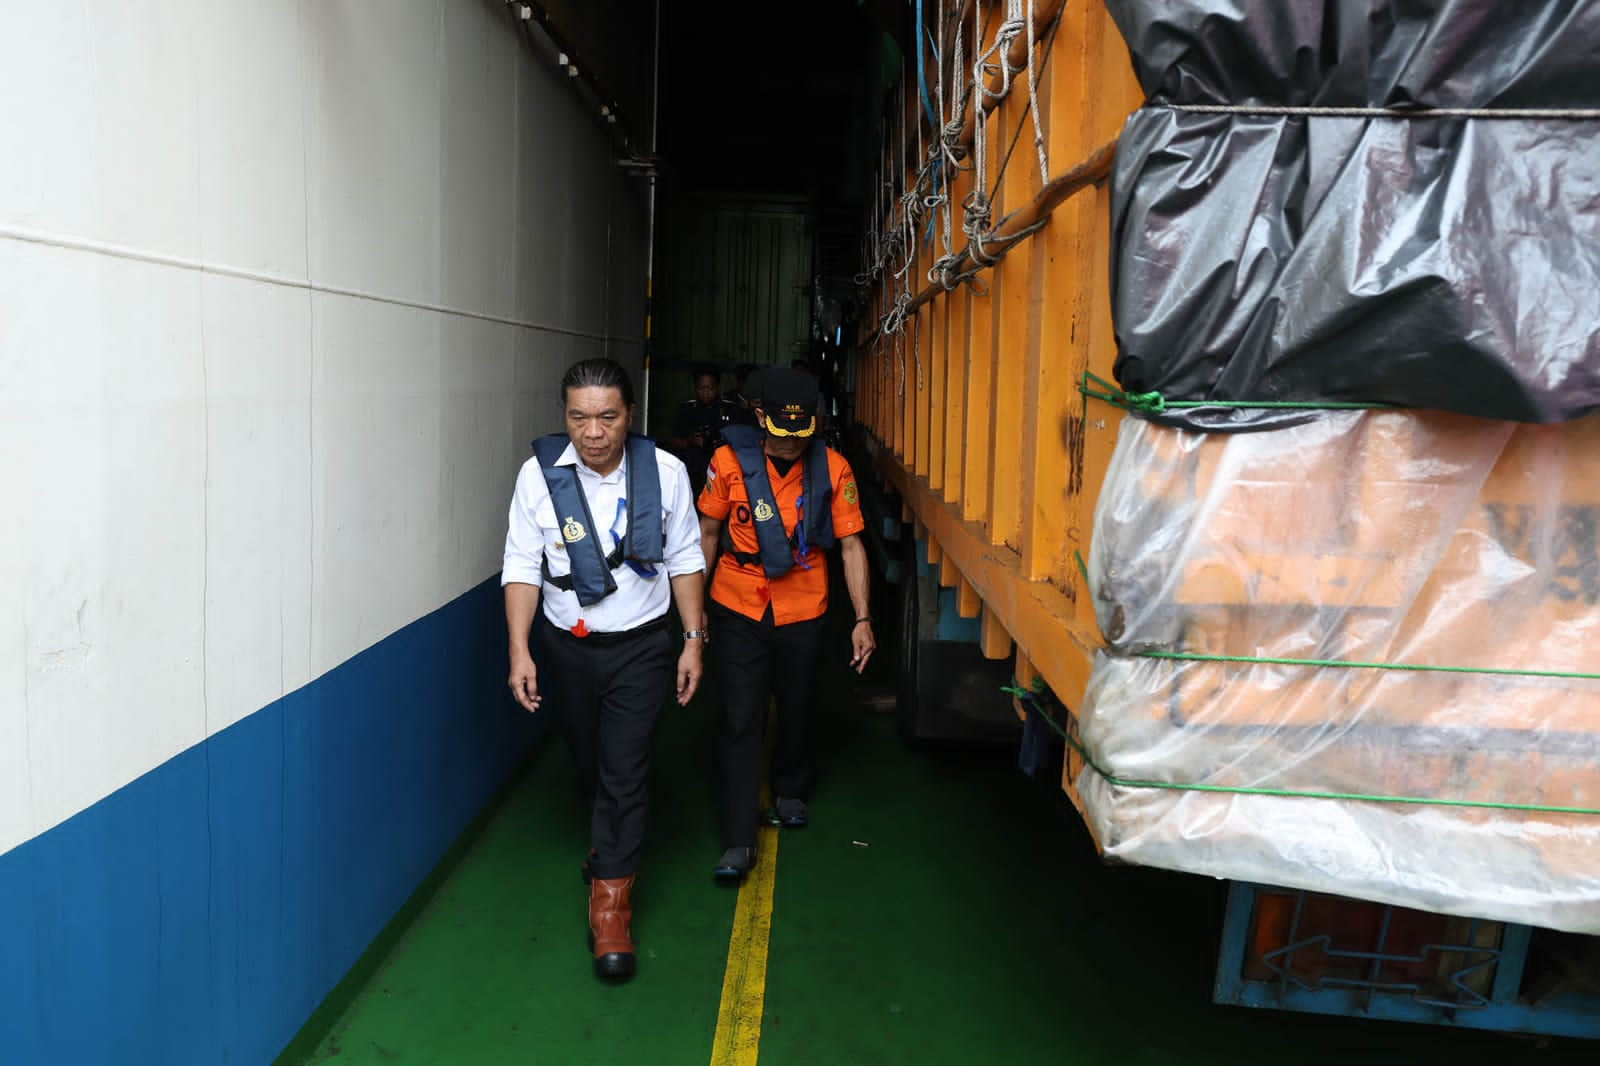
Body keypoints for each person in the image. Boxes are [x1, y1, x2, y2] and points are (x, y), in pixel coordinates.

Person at [502, 358, 708, 981]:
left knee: (625, 766)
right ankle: (605, 833)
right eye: (579, 417)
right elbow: (521, 565)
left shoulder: (665, 473)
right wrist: (520, 649)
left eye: (607, 416)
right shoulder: (539, 479)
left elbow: (686, 556)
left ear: (629, 415)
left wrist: (693, 640)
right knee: (589, 758)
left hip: (643, 647)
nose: (593, 431)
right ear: (566, 416)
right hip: (567, 648)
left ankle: (611, 908)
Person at [695, 367, 875, 880]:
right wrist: (694, 611)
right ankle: (736, 836)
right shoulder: (729, 463)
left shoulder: (833, 467)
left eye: (802, 432)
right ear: (759, 418)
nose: (791, 444)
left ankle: (791, 788)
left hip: (804, 605)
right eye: (779, 432)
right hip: (737, 601)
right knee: (739, 717)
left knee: (796, 705)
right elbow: (708, 533)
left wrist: (862, 617)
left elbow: (851, 544)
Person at [669, 365, 728, 495]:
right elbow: (673, 441)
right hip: (693, 470)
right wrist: (690, 441)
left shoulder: (727, 410)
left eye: (710, 388)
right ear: (696, 388)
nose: (706, 392)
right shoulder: (686, 410)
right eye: (702, 388)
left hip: (720, 469)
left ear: (717, 387)